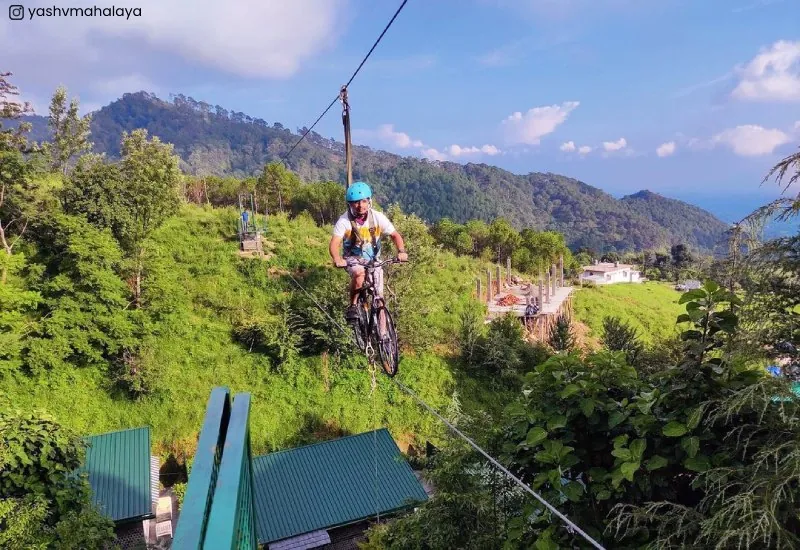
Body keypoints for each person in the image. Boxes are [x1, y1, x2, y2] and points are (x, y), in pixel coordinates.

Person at [329, 181, 408, 324]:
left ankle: (384, 337)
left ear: (369, 201)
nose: (360, 206)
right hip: (353, 259)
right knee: (359, 274)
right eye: (356, 203)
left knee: (380, 300)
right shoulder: (344, 221)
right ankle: (353, 306)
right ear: (350, 204)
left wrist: (401, 251)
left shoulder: (377, 217)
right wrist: (337, 258)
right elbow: (334, 243)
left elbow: (395, 235)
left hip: (374, 260)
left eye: (364, 201)